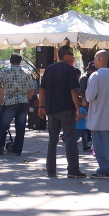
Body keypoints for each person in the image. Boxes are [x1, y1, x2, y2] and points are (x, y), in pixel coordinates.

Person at [38, 45, 86, 178]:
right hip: (66, 109)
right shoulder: (70, 70)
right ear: (65, 56)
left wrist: (41, 106)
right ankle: (73, 170)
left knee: (52, 140)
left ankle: (51, 170)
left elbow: (42, 89)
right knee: (70, 139)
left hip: (51, 109)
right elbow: (73, 91)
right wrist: (78, 108)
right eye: (71, 55)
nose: (73, 57)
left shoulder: (49, 69)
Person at [0, 54, 34, 156]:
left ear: (10, 61)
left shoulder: (5, 71)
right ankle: (17, 150)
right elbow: (31, 89)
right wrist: (26, 99)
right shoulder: (27, 72)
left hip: (10, 102)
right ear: (20, 61)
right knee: (20, 128)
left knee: (2, 126)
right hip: (23, 103)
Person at [85, 50, 109, 179]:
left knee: (100, 145)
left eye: (95, 58)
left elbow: (90, 96)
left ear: (99, 59)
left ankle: (105, 170)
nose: (94, 61)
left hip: (99, 116)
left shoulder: (95, 76)